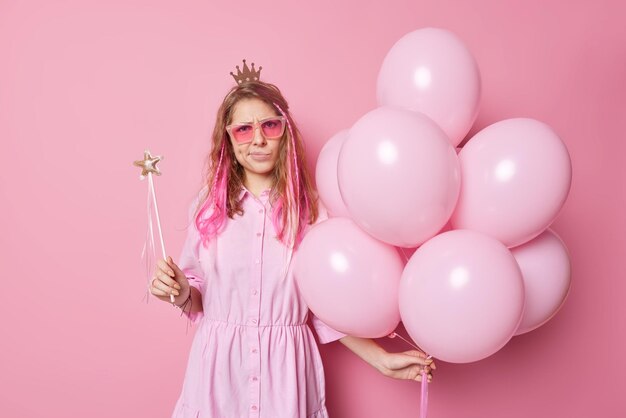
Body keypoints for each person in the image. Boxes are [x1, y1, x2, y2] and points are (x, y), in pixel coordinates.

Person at [149, 60, 435, 417]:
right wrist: (179, 291)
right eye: (243, 129)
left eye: (269, 125)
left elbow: (325, 307)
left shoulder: (311, 211)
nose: (257, 139)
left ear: (284, 129)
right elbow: (196, 299)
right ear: (228, 136)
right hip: (219, 379)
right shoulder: (209, 209)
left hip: (286, 378)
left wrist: (380, 359)